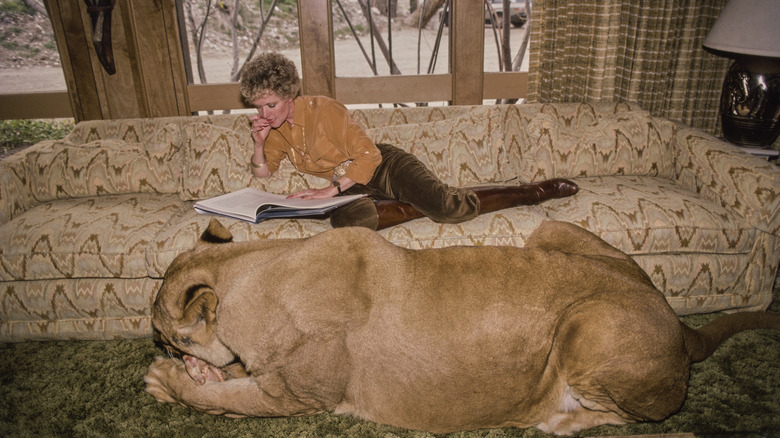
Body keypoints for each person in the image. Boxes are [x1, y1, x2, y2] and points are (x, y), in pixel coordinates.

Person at [238, 52, 579, 230]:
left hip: (382, 167)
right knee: (347, 222)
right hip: (353, 187)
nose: (265, 113)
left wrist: (328, 191)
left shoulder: (325, 111)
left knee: (449, 210)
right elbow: (264, 174)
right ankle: (422, 205)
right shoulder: (276, 128)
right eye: (259, 107)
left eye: (271, 104)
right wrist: (258, 143)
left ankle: (534, 191)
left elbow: (369, 157)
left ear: (289, 94)